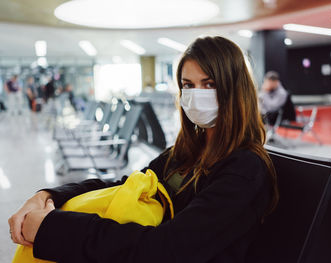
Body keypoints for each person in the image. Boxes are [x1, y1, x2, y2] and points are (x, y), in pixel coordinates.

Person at [8, 36, 278, 263]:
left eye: (209, 84)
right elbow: (124, 184)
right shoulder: (185, 153)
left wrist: (52, 228)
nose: (197, 95)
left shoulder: (244, 169)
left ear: (235, 89)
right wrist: (48, 195)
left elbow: (163, 250)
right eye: (188, 85)